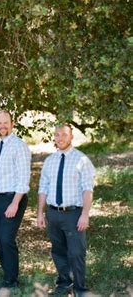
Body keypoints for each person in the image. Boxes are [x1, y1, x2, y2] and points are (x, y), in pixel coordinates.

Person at [37, 124, 95, 296]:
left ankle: (80, 288)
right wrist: (40, 212)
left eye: (64, 134)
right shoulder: (49, 161)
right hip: (53, 213)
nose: (60, 138)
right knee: (58, 250)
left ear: (71, 137)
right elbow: (43, 188)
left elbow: (87, 189)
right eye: (57, 135)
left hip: (73, 213)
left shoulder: (82, 160)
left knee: (77, 252)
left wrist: (85, 214)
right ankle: (64, 282)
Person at [0, 110, 31, 289]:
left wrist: (15, 203)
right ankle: (7, 274)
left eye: (6, 122)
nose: (2, 126)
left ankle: (12, 281)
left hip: (13, 198)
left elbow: (24, 177)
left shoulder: (19, 146)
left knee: (6, 239)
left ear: (12, 124)